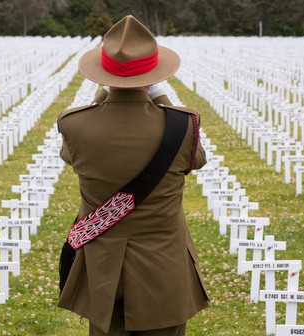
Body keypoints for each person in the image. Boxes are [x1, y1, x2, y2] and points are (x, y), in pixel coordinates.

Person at [57, 15, 209, 336]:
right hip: (164, 267)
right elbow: (198, 160)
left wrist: (103, 96)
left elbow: (68, 155)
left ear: (104, 73)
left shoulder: (74, 125)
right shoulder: (183, 126)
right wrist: (160, 96)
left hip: (102, 270)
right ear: (154, 74)